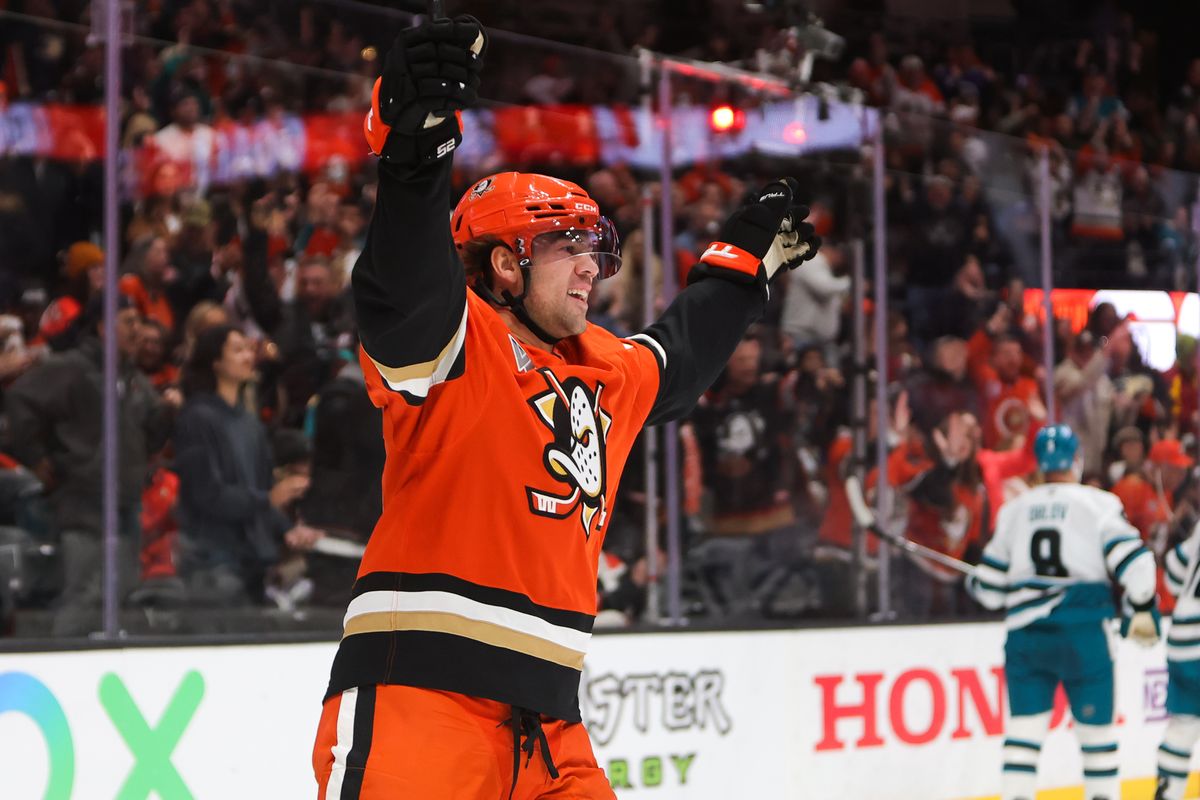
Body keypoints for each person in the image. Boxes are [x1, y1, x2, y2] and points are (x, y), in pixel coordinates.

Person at [311, 15, 819, 800]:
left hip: (550, 725)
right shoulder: (456, 343)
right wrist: (415, 152)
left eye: (594, 249)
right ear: (505, 264)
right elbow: (404, 286)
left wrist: (740, 268)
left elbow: (676, 361)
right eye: (566, 246)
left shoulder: (601, 366)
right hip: (420, 698)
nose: (591, 268)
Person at [967, 423, 1159, 800]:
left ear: (1039, 463)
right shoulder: (1096, 503)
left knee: (1023, 737)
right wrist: (1141, 605)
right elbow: (1138, 568)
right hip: (1084, 636)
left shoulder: (1014, 510)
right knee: (1097, 740)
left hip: (1027, 639)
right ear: (1076, 459)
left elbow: (988, 592)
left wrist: (977, 581)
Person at [5, 294, 178, 635]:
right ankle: (58, 664)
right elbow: (20, 398)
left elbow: (149, 440)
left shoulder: (133, 379)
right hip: (83, 502)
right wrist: (37, 458)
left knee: (120, 592)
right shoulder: (72, 368)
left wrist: (169, 413)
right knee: (83, 593)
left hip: (125, 504)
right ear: (103, 328)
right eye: (129, 322)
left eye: (140, 322)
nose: (138, 330)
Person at [172, 324, 309, 608]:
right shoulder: (197, 418)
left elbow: (262, 490)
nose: (248, 356)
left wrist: (287, 529)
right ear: (215, 361)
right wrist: (268, 499)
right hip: (212, 561)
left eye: (248, 349)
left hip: (252, 562)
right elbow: (207, 493)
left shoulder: (249, 424)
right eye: (237, 349)